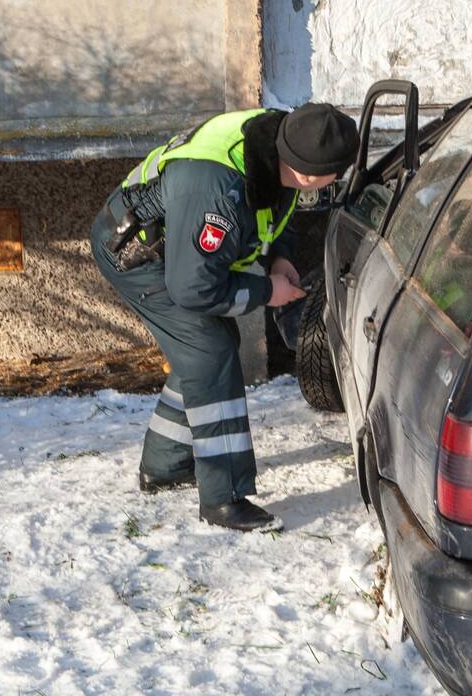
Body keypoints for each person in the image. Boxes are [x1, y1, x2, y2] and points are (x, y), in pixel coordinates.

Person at [90, 104, 359, 532]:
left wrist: (279, 257)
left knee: (208, 349)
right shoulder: (216, 189)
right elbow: (193, 289)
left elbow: (280, 205)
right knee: (210, 352)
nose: (339, 180)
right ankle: (224, 498)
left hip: (176, 253)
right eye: (336, 174)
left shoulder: (279, 140)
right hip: (136, 254)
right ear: (309, 173)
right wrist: (268, 292)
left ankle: (164, 465)